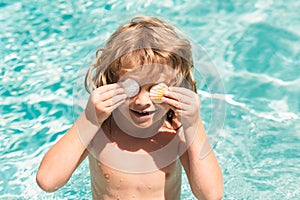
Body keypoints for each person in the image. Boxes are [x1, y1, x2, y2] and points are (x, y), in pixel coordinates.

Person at [36, 16, 223, 200]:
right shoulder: (100, 128)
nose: (142, 101)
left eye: (154, 89)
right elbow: (48, 181)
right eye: (130, 88)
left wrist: (193, 124)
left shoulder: (176, 130)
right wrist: (90, 119)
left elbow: (211, 196)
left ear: (175, 85)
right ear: (112, 81)